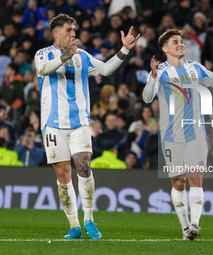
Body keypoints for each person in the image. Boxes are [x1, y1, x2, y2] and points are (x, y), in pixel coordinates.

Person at [34, 14, 139, 239]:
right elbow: (43, 70)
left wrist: (124, 51)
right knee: (63, 174)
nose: (74, 34)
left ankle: (89, 219)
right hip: (52, 124)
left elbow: (107, 70)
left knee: (83, 166)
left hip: (80, 122)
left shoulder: (82, 56)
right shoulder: (43, 54)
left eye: (74, 30)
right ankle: (74, 225)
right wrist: (64, 57)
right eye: (69, 30)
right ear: (56, 33)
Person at [142, 29, 213, 240]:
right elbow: (146, 98)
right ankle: (184, 226)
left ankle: (194, 226)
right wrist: (152, 78)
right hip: (171, 137)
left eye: (181, 41)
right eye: (175, 42)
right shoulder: (160, 71)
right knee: (178, 183)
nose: (180, 44)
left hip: (196, 134)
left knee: (196, 179)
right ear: (165, 48)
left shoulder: (195, 68)